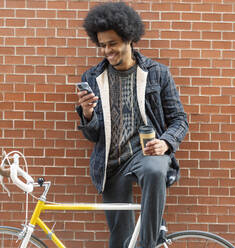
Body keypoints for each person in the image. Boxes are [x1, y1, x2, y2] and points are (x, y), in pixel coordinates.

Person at [76, 2, 189, 247]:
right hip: (111, 164)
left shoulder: (157, 73)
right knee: (120, 240)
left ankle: (148, 244)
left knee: (155, 169)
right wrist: (87, 114)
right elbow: (94, 136)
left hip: (145, 153)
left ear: (128, 38)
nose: (107, 50)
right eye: (102, 45)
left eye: (112, 43)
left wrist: (166, 143)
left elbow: (179, 119)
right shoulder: (92, 78)